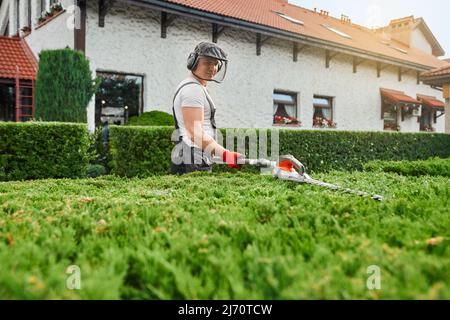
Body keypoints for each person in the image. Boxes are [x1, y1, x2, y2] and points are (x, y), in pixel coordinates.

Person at [171, 42, 244, 174]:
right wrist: (226, 155)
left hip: (194, 155)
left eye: (216, 64)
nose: (213, 68)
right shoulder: (193, 89)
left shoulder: (196, 87)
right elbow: (195, 133)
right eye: (207, 63)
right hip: (193, 157)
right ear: (193, 62)